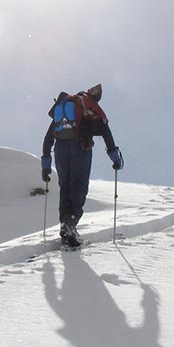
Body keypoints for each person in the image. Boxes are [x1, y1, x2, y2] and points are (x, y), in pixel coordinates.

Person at [41, 83, 123, 248]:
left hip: (60, 149)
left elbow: (49, 137)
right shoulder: (91, 106)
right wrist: (116, 158)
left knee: (65, 187)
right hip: (80, 148)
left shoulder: (65, 106)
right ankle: (70, 225)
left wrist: (46, 163)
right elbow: (106, 133)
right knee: (79, 186)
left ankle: (65, 225)